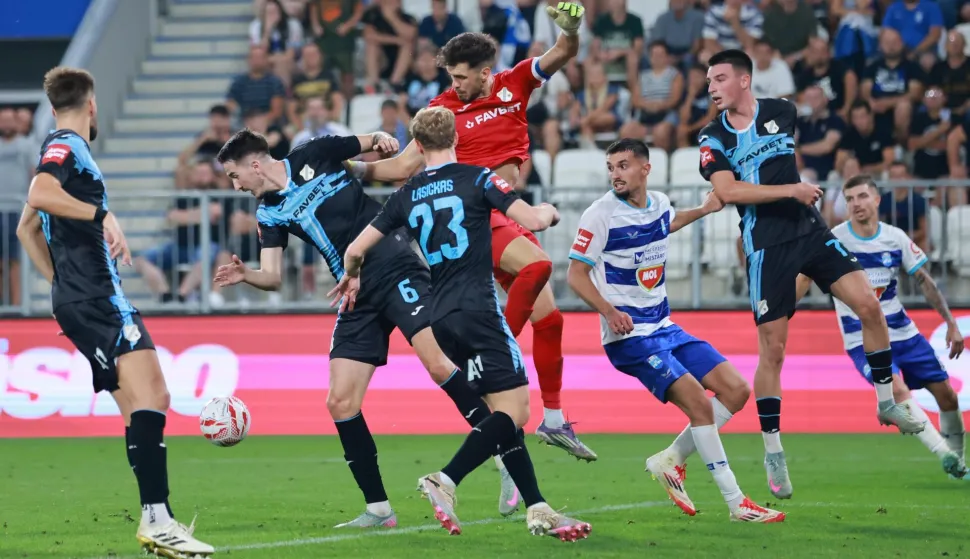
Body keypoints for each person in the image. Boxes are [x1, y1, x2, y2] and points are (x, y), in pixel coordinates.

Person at [210, 129, 518, 527]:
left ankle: (502, 450)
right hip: (353, 292)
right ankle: (379, 509)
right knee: (340, 401)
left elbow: (370, 141)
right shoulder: (268, 211)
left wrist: (381, 138)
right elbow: (272, 277)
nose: (236, 186)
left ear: (254, 165)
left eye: (235, 176)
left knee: (439, 363)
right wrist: (245, 275)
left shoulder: (315, 153)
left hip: (393, 265)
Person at [346, 3, 597, 462]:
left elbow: (563, 52)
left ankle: (552, 420)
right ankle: (499, 355)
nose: (454, 84)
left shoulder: (516, 83)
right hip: (479, 213)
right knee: (538, 267)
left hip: (510, 212)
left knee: (552, 319)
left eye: (462, 77)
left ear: (486, 73)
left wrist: (572, 30)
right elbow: (403, 165)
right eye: (452, 76)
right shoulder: (441, 109)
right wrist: (351, 167)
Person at [330, 106, 592, 541]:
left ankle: (538, 507)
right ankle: (446, 479)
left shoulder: (406, 194)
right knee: (517, 411)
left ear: (418, 143)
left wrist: (352, 274)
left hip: (440, 318)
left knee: (497, 414)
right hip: (479, 309)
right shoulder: (477, 178)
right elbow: (529, 220)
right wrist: (549, 212)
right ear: (455, 137)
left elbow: (356, 247)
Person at [699, 48, 925, 500]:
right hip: (765, 245)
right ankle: (773, 450)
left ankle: (886, 404)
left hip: (810, 231)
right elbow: (727, 190)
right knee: (774, 351)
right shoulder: (711, 137)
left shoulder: (782, 112)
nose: (711, 87)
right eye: (709, 81)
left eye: (719, 78)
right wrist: (793, 190)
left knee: (868, 305)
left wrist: (800, 193)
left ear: (744, 80)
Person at [15, 67, 213, 557]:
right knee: (155, 395)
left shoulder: (62, 147)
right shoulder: (67, 145)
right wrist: (103, 216)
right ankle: (156, 518)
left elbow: (26, 230)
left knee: (137, 405)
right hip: (100, 298)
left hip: (82, 297)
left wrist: (61, 289)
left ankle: (155, 517)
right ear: (92, 104)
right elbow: (38, 196)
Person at [566, 138, 785, 522]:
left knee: (736, 389)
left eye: (623, 165)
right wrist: (608, 310)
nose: (615, 174)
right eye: (611, 167)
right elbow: (576, 274)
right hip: (629, 338)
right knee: (700, 403)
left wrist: (704, 209)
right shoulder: (600, 215)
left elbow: (667, 223)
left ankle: (672, 459)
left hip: (664, 327)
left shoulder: (660, 202)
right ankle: (737, 503)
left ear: (644, 169)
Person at [796, 175, 967, 480]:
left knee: (948, 397)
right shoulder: (833, 240)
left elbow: (924, 281)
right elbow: (805, 277)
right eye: (849, 199)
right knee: (897, 390)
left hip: (904, 334)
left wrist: (951, 324)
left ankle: (960, 463)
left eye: (861, 196)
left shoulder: (894, 237)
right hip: (861, 339)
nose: (855, 204)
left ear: (876, 200)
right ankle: (945, 455)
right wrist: (780, 310)